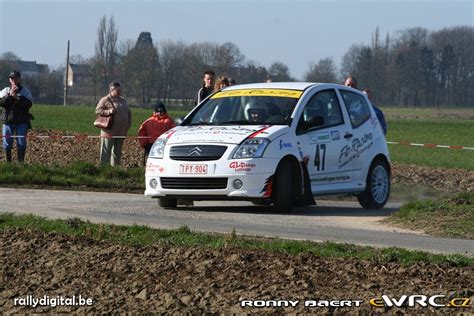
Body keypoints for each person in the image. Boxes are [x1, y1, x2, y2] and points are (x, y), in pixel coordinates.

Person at [95, 82, 131, 166]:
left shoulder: (123, 100)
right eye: (117, 90)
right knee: (106, 152)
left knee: (117, 153)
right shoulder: (105, 99)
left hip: (121, 131)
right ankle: (103, 169)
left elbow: (128, 112)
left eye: (120, 90)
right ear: (111, 90)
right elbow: (97, 110)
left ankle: (115, 170)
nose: (120, 91)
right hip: (109, 132)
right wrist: (108, 111)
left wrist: (128, 124)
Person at [0, 71, 33, 162]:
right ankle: (9, 164)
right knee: (7, 143)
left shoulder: (25, 92)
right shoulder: (5, 90)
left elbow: (29, 104)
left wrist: (17, 98)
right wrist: (9, 96)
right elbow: (1, 103)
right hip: (7, 121)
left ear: (19, 79)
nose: (14, 80)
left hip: (21, 121)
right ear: (9, 80)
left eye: (16, 78)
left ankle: (20, 164)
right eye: (12, 78)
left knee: (21, 143)